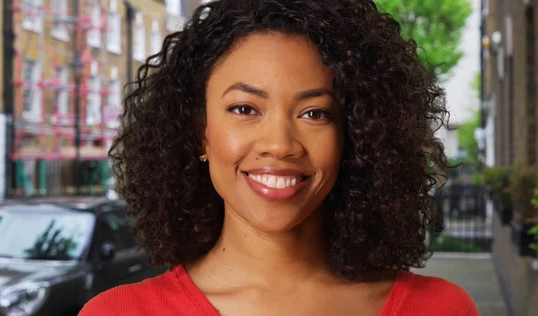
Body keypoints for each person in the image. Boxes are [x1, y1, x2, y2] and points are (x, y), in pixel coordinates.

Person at [80, 0, 480, 315]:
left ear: (353, 139)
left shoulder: (442, 309)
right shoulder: (119, 312)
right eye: (244, 109)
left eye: (315, 113)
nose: (280, 144)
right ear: (199, 132)